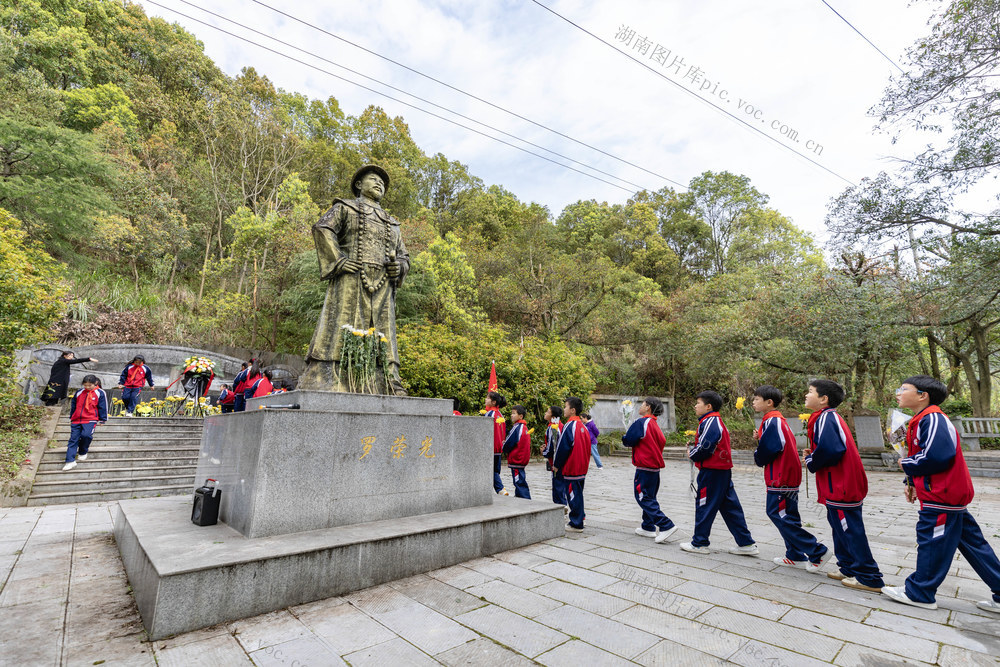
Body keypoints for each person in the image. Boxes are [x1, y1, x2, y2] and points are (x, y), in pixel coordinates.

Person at [883, 375, 1000, 613]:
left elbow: (937, 456)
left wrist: (906, 464)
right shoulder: (921, 419)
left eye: (903, 389)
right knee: (974, 544)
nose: (898, 392)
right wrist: (911, 480)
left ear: (922, 395)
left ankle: (920, 592)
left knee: (932, 541)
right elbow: (925, 454)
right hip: (945, 494)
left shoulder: (933, 418)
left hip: (942, 495)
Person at [297, 164, 410, 395]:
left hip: (382, 286)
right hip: (351, 278)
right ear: (359, 184)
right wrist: (338, 260)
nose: (379, 184)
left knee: (384, 332)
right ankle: (332, 376)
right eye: (373, 179)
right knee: (342, 324)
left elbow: (404, 255)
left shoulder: (392, 223)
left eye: (382, 182)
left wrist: (398, 267)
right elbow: (322, 228)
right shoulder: (344, 208)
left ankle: (388, 380)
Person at [803, 379, 884, 589]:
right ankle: (848, 567)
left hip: (842, 483)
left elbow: (831, 450)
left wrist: (811, 460)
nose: (806, 395)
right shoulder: (825, 417)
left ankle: (869, 576)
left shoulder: (826, 418)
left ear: (823, 399)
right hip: (836, 483)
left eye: (810, 392)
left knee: (850, 529)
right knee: (839, 527)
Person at [752, 385, 829, 571]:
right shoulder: (774, 421)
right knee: (788, 516)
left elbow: (771, 448)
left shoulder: (773, 421)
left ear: (769, 402)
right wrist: (760, 438)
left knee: (777, 514)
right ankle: (794, 555)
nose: (753, 402)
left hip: (780, 476)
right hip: (785, 475)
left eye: (756, 399)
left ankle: (816, 550)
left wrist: (758, 454)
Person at [683, 391, 757, 555]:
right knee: (730, 507)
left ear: (708, 406)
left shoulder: (711, 421)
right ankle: (746, 543)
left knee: (704, 504)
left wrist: (692, 454)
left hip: (712, 472)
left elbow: (706, 446)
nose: (695, 406)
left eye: (698, 403)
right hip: (722, 471)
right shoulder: (713, 420)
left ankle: (700, 543)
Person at [621, 397, 676, 543]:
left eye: (643, 404)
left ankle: (666, 525)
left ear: (648, 408)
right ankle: (648, 527)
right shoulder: (655, 425)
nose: (640, 406)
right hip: (654, 469)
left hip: (644, 468)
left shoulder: (642, 422)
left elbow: (629, 441)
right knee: (650, 497)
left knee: (643, 497)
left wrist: (625, 436)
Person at [553, 396, 591, 532]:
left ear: (573, 410)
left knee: (573, 495)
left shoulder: (570, 425)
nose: (564, 409)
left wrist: (556, 464)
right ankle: (581, 518)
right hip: (582, 467)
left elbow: (562, 447)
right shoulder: (583, 426)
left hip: (572, 467)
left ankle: (576, 523)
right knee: (578, 494)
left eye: (565, 407)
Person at [62, 375, 107, 471]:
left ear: (95, 383)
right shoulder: (79, 392)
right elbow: (74, 405)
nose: (87, 387)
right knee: (73, 440)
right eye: (85, 385)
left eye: (90, 385)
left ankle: (83, 451)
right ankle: (70, 461)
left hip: (90, 419)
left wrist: (103, 419)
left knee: (86, 435)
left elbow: (103, 406)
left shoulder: (100, 393)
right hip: (77, 419)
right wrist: (72, 416)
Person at [501, 404, 532, 499]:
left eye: (514, 413)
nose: (511, 415)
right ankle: (519, 498)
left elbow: (509, 442)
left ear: (520, 416)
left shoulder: (517, 427)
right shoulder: (524, 427)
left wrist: (503, 446)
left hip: (517, 459)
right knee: (519, 480)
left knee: (519, 481)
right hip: (522, 459)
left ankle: (526, 500)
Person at [484, 391, 508, 495]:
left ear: (493, 402)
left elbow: (484, 431)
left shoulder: (490, 414)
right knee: (495, 470)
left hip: (490, 447)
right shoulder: (500, 415)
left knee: (490, 470)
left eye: (487, 398)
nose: (485, 400)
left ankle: (500, 489)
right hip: (499, 447)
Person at [541, 405, 565, 508]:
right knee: (560, 486)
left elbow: (552, 447)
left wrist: (544, 452)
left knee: (557, 488)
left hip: (556, 462)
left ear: (552, 415)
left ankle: (561, 508)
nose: (545, 413)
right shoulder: (561, 425)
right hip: (562, 460)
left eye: (548, 411)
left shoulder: (553, 427)